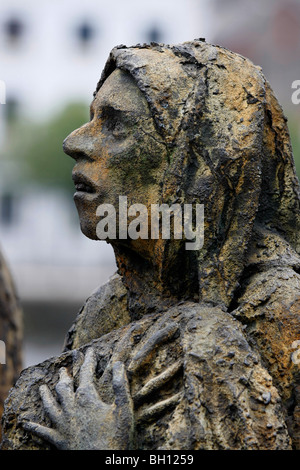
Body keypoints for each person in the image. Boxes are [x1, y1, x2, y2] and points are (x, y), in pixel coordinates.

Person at [2, 39, 300, 450]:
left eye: (115, 124)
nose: (74, 143)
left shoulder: (283, 314)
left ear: (194, 162)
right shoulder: (106, 309)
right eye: (92, 118)